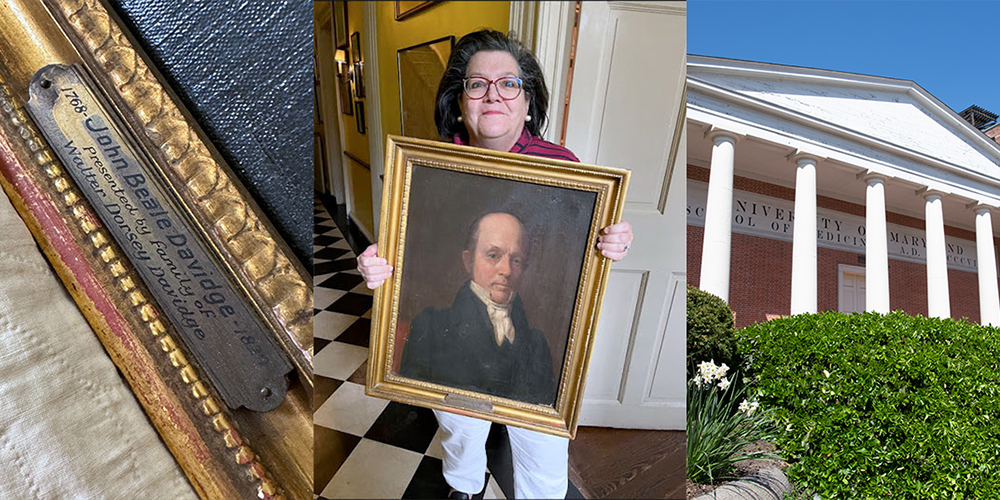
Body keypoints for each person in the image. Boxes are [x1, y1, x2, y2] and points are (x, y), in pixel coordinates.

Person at [357, 29, 633, 500]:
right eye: (477, 84)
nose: (493, 96)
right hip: (456, 365)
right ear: (459, 99)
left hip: (532, 370)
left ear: (527, 100)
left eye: (509, 84)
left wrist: (613, 241)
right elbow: (403, 255)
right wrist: (377, 266)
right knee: (461, 436)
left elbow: (579, 263)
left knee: (543, 454)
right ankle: (464, 487)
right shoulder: (429, 170)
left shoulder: (565, 168)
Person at [399, 212, 557, 405]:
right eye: (493, 255)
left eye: (516, 260)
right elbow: (410, 404)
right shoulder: (431, 326)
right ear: (469, 261)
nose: (506, 270)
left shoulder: (537, 343)